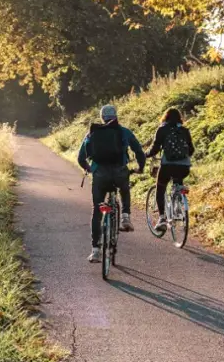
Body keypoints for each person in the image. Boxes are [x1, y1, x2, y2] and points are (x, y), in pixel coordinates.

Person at [77, 103, 146, 262]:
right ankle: (125, 217)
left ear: (102, 117)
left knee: (97, 210)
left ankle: (95, 250)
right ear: (116, 117)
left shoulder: (92, 133)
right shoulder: (124, 132)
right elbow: (139, 152)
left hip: (100, 174)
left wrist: (89, 169)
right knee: (124, 189)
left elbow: (81, 158)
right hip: (119, 172)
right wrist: (140, 167)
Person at [144, 106, 195, 236]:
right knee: (178, 183)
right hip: (184, 167)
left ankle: (161, 218)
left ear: (165, 117)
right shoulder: (184, 130)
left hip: (167, 166)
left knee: (160, 187)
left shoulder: (162, 129)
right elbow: (191, 150)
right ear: (179, 118)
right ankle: (178, 206)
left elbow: (154, 149)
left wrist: (145, 155)